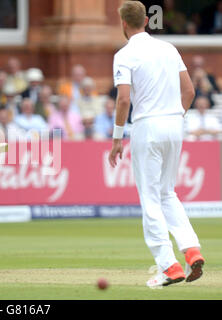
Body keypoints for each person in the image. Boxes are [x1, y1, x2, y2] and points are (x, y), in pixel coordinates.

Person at [108, 1, 204, 288]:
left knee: (151, 198)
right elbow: (189, 91)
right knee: (166, 193)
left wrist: (116, 138)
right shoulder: (168, 48)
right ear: (147, 21)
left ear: (124, 24)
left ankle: (169, 265)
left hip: (147, 126)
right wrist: (174, 118)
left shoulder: (124, 54)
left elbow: (124, 99)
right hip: (175, 123)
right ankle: (191, 249)